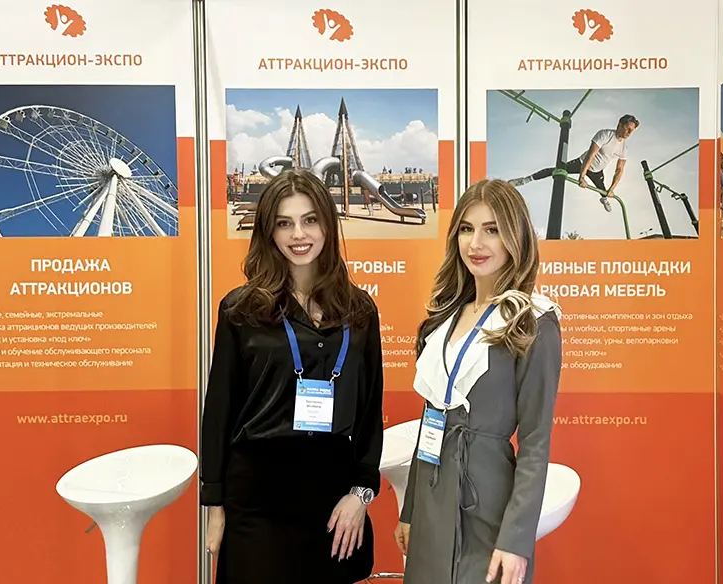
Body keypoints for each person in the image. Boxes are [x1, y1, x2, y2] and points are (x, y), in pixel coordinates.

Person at [200, 169, 384, 584]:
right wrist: (215, 506)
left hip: (332, 494)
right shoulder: (240, 310)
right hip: (257, 496)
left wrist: (360, 493)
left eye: (310, 220)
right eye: (285, 223)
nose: (298, 235)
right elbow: (220, 411)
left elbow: (370, 410)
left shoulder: (360, 311)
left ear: (327, 225)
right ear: (269, 231)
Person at [393, 179, 563, 584]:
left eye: (492, 229)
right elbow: (431, 421)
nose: (476, 243)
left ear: (515, 237)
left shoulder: (533, 321)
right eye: (467, 229)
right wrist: (410, 510)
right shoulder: (443, 319)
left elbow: (536, 443)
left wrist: (517, 540)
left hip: (487, 501)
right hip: (432, 497)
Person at [509, 114, 640, 212]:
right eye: (628, 128)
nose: (629, 133)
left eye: (632, 131)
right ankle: (525, 180)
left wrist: (612, 190)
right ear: (620, 124)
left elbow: (619, 170)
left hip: (597, 171)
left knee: (604, 191)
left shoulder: (624, 148)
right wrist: (582, 176)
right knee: (557, 170)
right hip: (582, 163)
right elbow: (591, 155)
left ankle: (604, 198)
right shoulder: (605, 134)